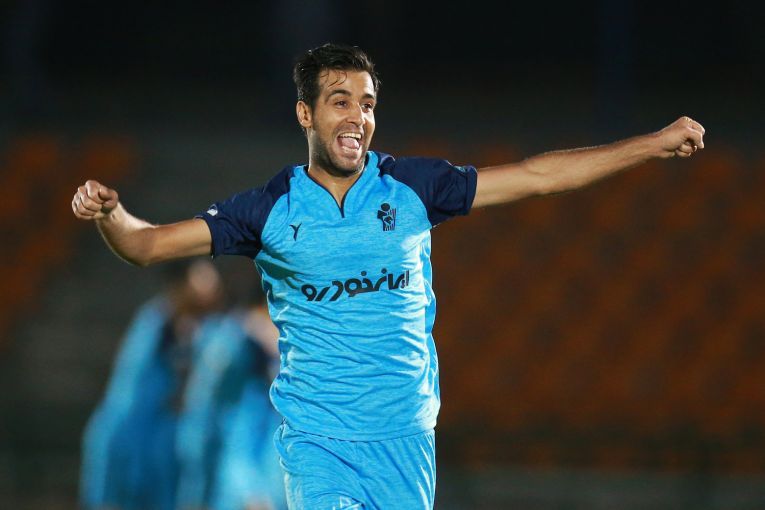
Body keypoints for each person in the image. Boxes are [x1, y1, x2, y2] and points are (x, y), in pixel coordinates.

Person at [72, 43, 705, 509]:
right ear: (305, 114)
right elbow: (146, 245)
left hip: (405, 442)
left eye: (367, 104)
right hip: (319, 442)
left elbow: (539, 177)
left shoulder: (412, 188)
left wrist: (652, 144)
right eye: (340, 101)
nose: (357, 116)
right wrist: (110, 214)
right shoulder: (268, 211)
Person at [80, 258, 223, 510]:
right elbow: (129, 399)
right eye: (202, 278)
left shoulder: (205, 332)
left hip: (166, 449)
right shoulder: (154, 326)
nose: (212, 284)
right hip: (132, 441)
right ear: (180, 285)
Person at [176, 282, 285, 510]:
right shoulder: (235, 347)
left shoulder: (266, 359)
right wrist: (249, 492)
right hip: (237, 489)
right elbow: (226, 436)